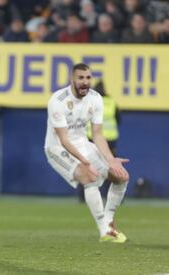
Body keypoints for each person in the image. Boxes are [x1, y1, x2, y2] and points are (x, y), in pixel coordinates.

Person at [44, 63, 129, 243]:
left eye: (88, 78)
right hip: (57, 148)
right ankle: (103, 230)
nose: (85, 82)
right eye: (80, 78)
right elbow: (64, 139)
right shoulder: (58, 101)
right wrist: (84, 161)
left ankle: (108, 220)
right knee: (89, 177)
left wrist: (111, 160)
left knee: (121, 177)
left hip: (83, 144)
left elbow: (97, 134)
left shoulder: (95, 98)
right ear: (72, 79)